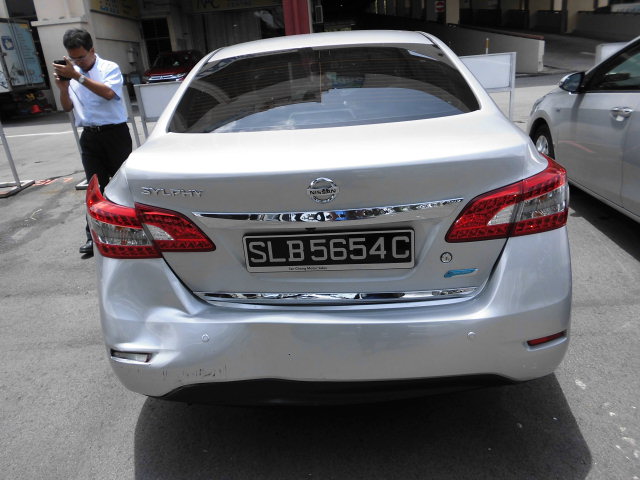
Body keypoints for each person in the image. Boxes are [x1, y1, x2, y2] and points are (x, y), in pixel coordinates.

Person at [53, 28, 132, 256]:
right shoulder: (72, 74)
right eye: (73, 58)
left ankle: (131, 233)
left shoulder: (109, 68)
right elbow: (67, 107)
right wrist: (63, 89)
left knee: (123, 186)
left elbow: (108, 93)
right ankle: (93, 236)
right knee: (94, 187)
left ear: (92, 50)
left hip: (115, 134)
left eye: (81, 57)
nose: (78, 62)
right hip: (89, 136)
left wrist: (77, 76)